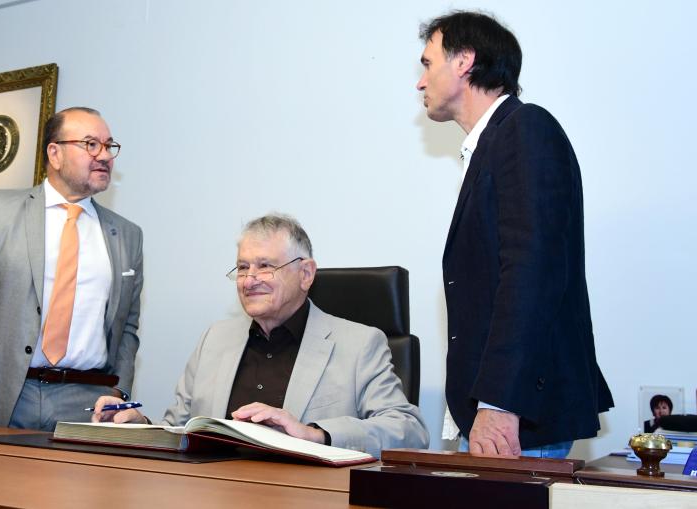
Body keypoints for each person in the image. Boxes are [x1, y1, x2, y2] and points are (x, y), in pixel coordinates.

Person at [416, 11, 613, 458]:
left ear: (464, 61)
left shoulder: (525, 130)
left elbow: (531, 274)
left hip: (515, 419)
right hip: (502, 415)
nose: (420, 82)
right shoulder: (494, 144)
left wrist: (500, 402)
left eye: (427, 64)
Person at [93, 214, 428, 458]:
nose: (249, 280)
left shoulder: (359, 344)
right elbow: (179, 428)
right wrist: (139, 424)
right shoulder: (215, 340)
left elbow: (409, 431)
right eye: (242, 268)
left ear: (306, 273)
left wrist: (316, 434)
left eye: (265, 266)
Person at [0, 107, 143, 430]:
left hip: (86, 401)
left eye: (109, 146)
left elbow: (128, 327)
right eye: (91, 144)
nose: (104, 155)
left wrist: (118, 391)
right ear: (55, 153)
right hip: (0, 393)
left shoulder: (128, 235)